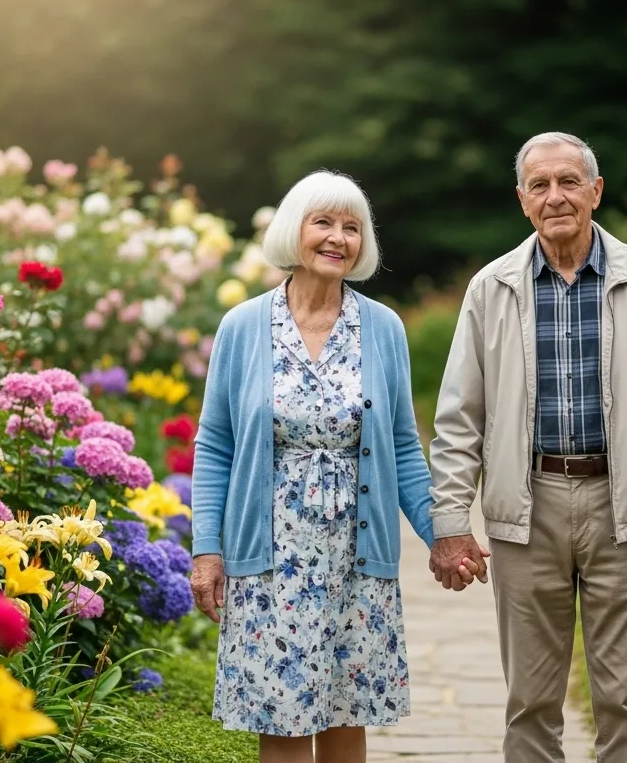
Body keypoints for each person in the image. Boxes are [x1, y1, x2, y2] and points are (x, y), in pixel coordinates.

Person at [426, 132, 627, 761]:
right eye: (540, 185)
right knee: (529, 702)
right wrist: (449, 524)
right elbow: (458, 421)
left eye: (568, 182)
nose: (555, 196)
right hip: (528, 510)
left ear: (596, 191)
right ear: (523, 201)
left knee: (626, 702)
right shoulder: (490, 288)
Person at [190, 170, 478, 763]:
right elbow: (215, 445)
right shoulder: (243, 326)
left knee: (349, 715)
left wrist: (444, 534)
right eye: (323, 222)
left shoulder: (383, 327)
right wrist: (206, 550)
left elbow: (401, 446)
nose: (338, 238)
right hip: (270, 557)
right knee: (284, 718)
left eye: (352, 227)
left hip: (357, 552)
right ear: (293, 232)